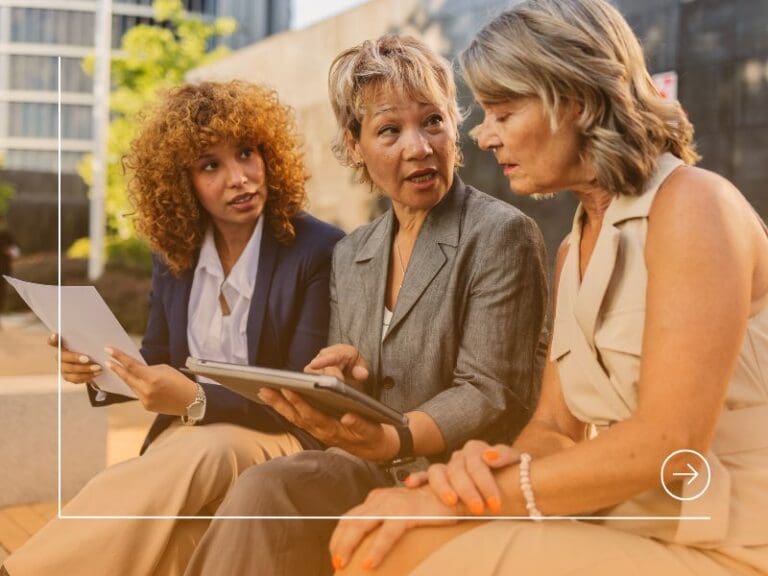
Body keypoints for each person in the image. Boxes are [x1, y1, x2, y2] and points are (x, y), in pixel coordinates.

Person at [328, 1, 768, 575]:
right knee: (376, 540)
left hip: (727, 545)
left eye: (503, 113)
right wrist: (478, 473)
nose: (482, 137)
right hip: (623, 526)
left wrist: (448, 500)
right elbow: (557, 429)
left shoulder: (693, 205)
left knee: (394, 550)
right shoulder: (573, 247)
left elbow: (670, 445)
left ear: (574, 102)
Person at [182, 34, 549, 576]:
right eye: (388, 131)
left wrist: (393, 436)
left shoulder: (501, 234)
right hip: (367, 465)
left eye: (433, 122)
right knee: (265, 486)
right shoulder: (352, 251)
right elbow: (359, 392)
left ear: (453, 126)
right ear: (354, 145)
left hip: (457, 472)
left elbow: (491, 392)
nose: (419, 147)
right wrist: (343, 383)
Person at [2, 80, 344, 576]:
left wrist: (196, 400)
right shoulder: (174, 257)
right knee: (172, 546)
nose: (240, 178)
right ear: (180, 183)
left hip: (283, 438)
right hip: (185, 448)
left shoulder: (316, 248)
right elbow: (158, 358)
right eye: (211, 165)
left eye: (247, 154)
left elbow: (300, 395)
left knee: (205, 447)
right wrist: (100, 368)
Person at [0, 217, 19, 328]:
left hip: (3, 271)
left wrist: (8, 251)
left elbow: (16, 251)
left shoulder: (7, 235)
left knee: (1, 294)